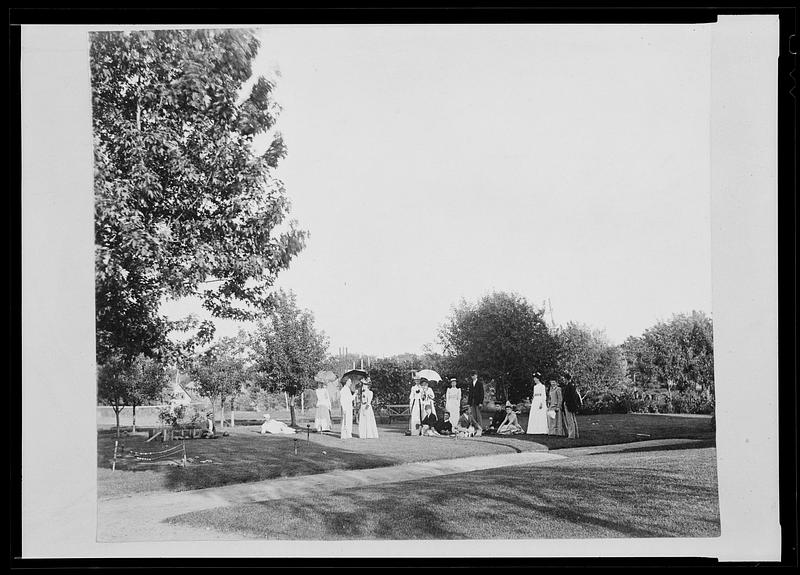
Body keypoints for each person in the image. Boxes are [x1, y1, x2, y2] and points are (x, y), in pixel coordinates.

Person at [562, 374, 581, 439]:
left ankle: (571, 435)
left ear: (566, 379)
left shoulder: (570, 386)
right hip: (571, 405)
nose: (563, 380)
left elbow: (571, 397)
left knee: (570, 420)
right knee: (573, 420)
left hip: (569, 405)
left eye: (564, 378)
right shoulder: (572, 385)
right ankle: (576, 434)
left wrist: (567, 404)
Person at [465, 371, 484, 436]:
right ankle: (475, 429)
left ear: (476, 375)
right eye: (472, 375)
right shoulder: (470, 384)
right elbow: (470, 394)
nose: (473, 376)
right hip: (472, 401)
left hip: (478, 401)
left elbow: (482, 394)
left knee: (478, 416)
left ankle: (480, 429)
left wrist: (481, 402)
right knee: (474, 416)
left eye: (474, 375)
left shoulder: (479, 383)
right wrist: (469, 403)